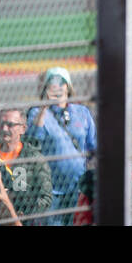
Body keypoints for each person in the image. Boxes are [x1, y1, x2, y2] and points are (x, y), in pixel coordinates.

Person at [25, 66, 96, 222]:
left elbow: (93, 146)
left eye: (61, 83)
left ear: (68, 86)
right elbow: (32, 140)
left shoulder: (82, 112)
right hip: (51, 190)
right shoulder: (37, 112)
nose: (57, 87)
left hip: (78, 187)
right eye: (52, 83)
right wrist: (45, 105)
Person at [0, 107, 52, 224]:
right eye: (1, 124)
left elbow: (45, 198)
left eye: (10, 124)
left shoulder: (34, 159)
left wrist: (25, 212)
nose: (4, 128)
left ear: (23, 128)